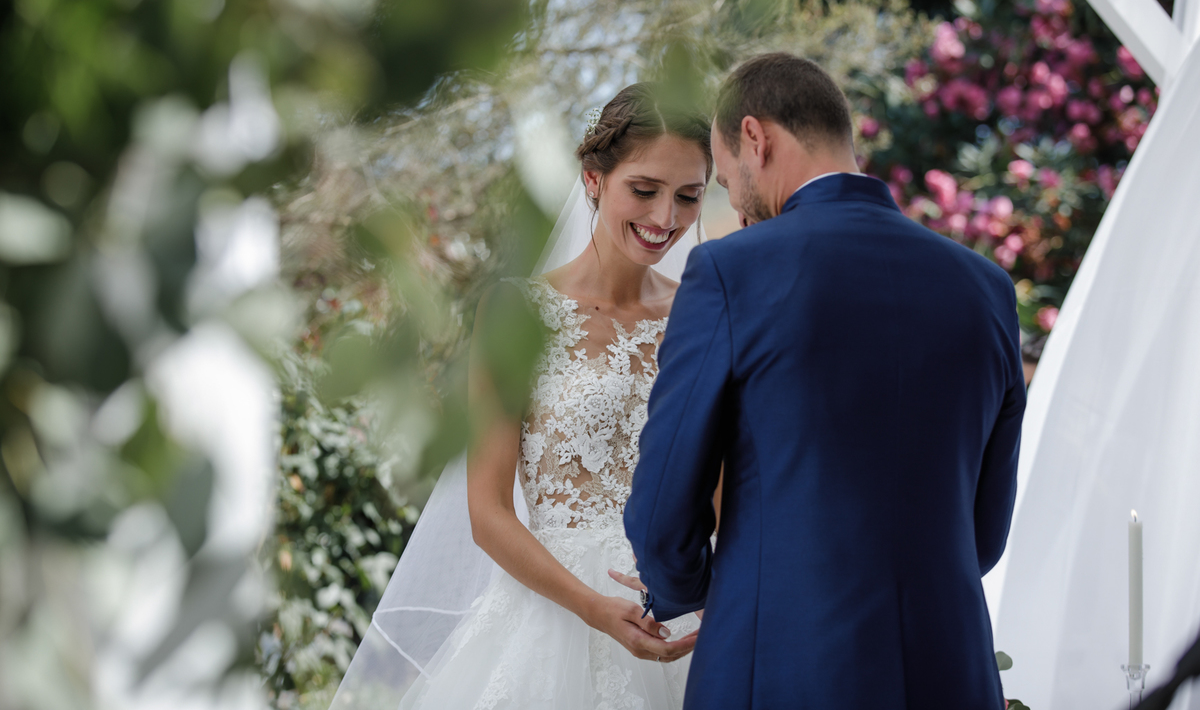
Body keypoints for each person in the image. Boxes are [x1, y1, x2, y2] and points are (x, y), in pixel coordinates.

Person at [625, 53, 1027, 710]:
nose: (736, 206)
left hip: (780, 671)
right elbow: (982, 534)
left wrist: (687, 590)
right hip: (951, 673)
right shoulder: (987, 289)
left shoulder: (730, 271)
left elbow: (663, 509)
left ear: (755, 137)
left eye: (726, 180)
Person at [329, 82, 714, 710]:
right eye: (644, 190)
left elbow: (719, 493)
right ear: (594, 179)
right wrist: (593, 608)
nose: (665, 217)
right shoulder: (517, 310)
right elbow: (488, 514)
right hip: (552, 621)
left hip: (680, 618)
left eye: (688, 196)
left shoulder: (703, 314)